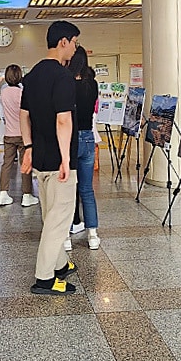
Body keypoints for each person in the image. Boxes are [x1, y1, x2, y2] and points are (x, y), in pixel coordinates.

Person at [20, 20, 81, 295]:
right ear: (63, 42)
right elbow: (63, 120)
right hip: (59, 162)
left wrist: (29, 147)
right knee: (59, 220)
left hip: (41, 158)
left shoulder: (31, 76)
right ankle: (44, 279)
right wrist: (66, 160)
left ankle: (60, 265)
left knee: (50, 215)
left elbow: (24, 116)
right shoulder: (63, 77)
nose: (75, 49)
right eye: (75, 42)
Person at [64, 49, 100, 251]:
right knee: (87, 189)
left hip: (70, 139)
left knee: (68, 190)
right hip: (88, 138)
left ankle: (67, 237)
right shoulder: (92, 84)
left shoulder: (66, 83)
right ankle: (92, 235)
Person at [0, 64, 38, 208]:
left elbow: (2, 112)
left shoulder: (3, 93)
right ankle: (27, 195)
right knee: (25, 164)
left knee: (6, 164)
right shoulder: (22, 93)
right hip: (23, 134)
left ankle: (3, 193)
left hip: (8, 133)